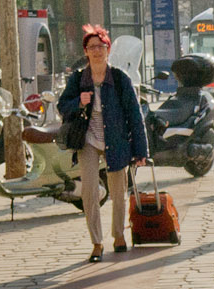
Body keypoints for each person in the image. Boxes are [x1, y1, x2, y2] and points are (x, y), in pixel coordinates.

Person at [58, 26, 148, 263]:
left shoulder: (119, 78)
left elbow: (134, 115)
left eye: (101, 46)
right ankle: (97, 243)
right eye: (91, 48)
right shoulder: (78, 79)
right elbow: (62, 106)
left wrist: (141, 151)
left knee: (118, 190)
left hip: (116, 140)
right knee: (89, 191)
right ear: (86, 52)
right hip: (87, 140)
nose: (96, 51)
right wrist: (79, 101)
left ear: (108, 50)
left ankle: (119, 236)